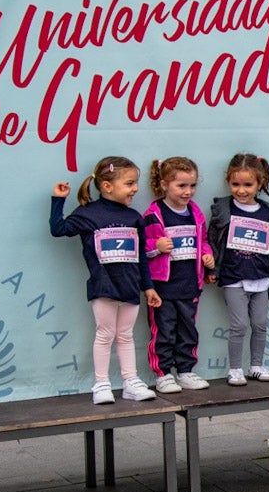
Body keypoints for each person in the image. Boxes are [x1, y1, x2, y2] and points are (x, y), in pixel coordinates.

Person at [50, 155, 160, 405]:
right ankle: (101, 384)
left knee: (126, 335)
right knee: (105, 334)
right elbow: (58, 229)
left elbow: (141, 256)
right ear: (108, 186)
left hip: (130, 286)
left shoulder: (134, 217)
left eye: (135, 183)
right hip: (103, 285)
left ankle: (131, 381)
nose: (135, 189)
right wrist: (59, 199)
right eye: (130, 183)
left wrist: (148, 287)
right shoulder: (88, 213)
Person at [207, 153, 269, 387]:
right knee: (239, 324)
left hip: (260, 278)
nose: (241, 190)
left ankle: (256, 366)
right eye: (235, 184)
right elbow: (214, 240)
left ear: (260, 183)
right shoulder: (224, 210)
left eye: (247, 185)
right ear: (228, 182)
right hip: (233, 278)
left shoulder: (266, 211)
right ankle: (235, 369)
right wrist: (213, 268)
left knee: (261, 323)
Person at [142, 157, 215, 393]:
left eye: (192, 186)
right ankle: (162, 374)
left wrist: (207, 256)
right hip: (163, 288)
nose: (188, 192)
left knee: (188, 331)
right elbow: (141, 247)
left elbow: (202, 241)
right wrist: (156, 246)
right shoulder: (153, 215)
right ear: (164, 184)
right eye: (181, 186)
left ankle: (185, 371)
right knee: (163, 331)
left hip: (189, 285)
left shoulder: (196, 214)